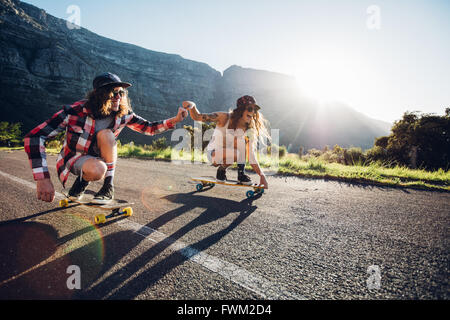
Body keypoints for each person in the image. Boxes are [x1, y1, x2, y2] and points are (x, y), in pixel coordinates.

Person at [24, 72, 187, 203]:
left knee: (106, 135)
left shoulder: (123, 114)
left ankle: (108, 187)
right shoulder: (74, 111)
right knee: (98, 169)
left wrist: (175, 119)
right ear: (99, 95)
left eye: (121, 92)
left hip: (100, 159)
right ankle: (82, 180)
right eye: (113, 92)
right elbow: (35, 136)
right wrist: (42, 178)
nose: (118, 97)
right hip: (76, 159)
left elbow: (149, 128)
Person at [182, 95, 269, 189]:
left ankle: (226, 171)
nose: (252, 112)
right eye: (250, 109)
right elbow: (197, 117)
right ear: (241, 110)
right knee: (238, 148)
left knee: (241, 142)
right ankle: (235, 173)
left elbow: (251, 155)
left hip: (230, 155)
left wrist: (262, 175)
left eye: (255, 110)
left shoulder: (249, 129)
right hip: (214, 154)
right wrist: (192, 106)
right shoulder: (224, 117)